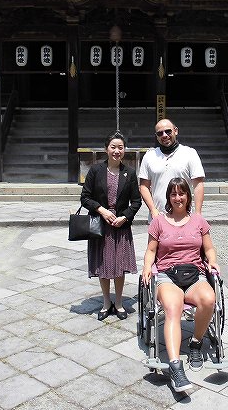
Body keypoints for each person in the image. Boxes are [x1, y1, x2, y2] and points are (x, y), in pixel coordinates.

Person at [142, 177, 219, 393]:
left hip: (195, 274)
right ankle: (175, 365)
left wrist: (212, 261)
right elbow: (150, 251)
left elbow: (209, 249)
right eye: (173, 194)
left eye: (182, 193)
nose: (178, 198)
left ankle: (195, 341)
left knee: (209, 299)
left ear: (188, 196)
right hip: (168, 275)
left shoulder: (199, 221)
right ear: (168, 197)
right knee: (173, 308)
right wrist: (147, 267)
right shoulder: (158, 222)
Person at [81, 131, 142, 320]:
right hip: (101, 225)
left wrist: (124, 217)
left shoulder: (130, 173)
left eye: (120, 147)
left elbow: (136, 201)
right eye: (113, 147)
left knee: (119, 265)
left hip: (120, 227)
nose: (117, 151)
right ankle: (106, 301)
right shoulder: (95, 171)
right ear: (106, 149)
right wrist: (102, 210)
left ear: (124, 150)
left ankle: (119, 302)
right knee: (103, 264)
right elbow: (85, 197)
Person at [138, 119, 205, 220]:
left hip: (185, 216)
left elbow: (198, 184)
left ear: (176, 131)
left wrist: (198, 213)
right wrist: (153, 210)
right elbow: (144, 186)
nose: (164, 135)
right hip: (158, 217)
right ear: (156, 136)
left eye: (168, 131)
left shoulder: (190, 153)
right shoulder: (149, 156)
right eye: (160, 133)